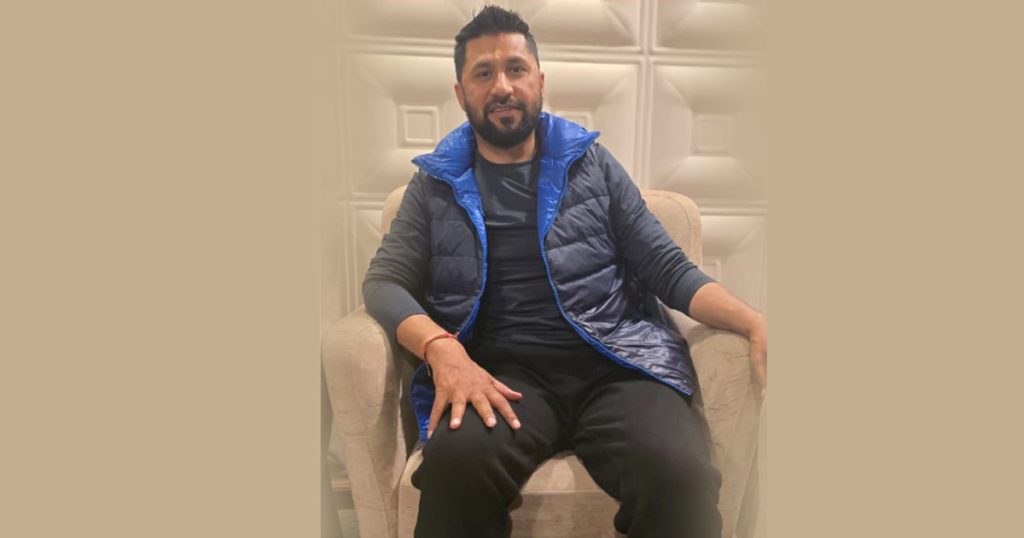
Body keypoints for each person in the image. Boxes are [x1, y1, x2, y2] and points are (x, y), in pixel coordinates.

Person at [362, 5, 767, 537]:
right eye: (483, 73)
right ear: (461, 94)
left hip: (615, 363)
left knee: (679, 476)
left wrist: (755, 322)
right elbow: (384, 282)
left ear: (540, 81)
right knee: (453, 470)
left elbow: (667, 268)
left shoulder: (591, 164)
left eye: (516, 68)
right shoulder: (434, 184)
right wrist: (441, 348)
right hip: (501, 374)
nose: (502, 86)